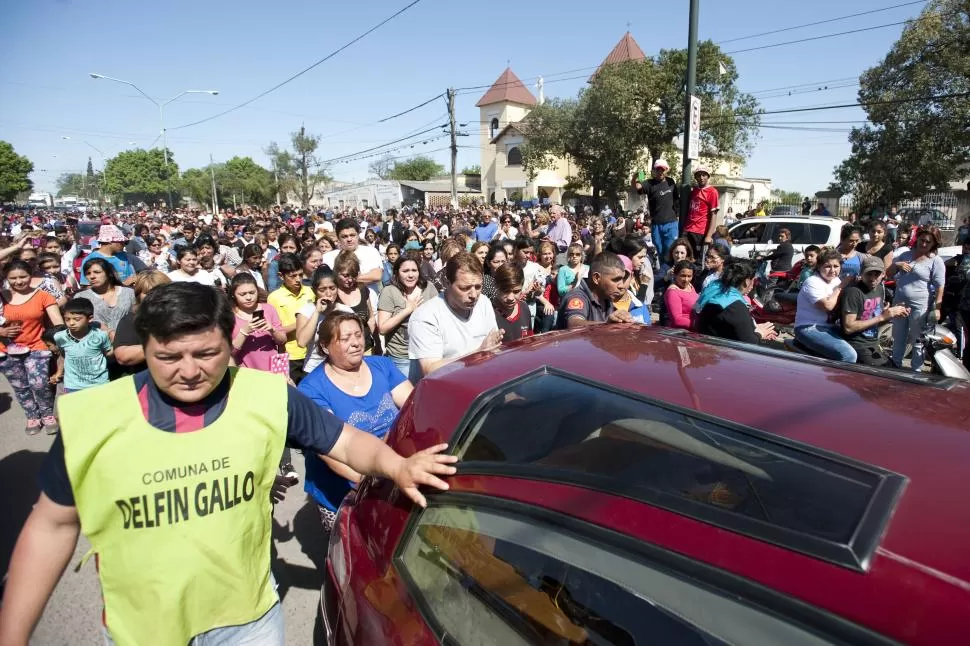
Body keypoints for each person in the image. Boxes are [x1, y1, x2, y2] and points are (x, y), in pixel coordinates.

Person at [0, 282, 457, 646]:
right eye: (168, 356)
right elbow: (51, 526)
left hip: (248, 621)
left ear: (229, 342)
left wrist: (396, 466)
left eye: (206, 354)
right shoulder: (91, 419)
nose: (189, 370)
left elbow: (344, 440)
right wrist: (13, 634)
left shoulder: (267, 395)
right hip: (142, 630)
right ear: (145, 347)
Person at [297, 313, 414, 530]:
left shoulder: (382, 365)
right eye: (345, 338)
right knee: (352, 552)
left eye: (358, 335)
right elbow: (329, 449)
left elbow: (412, 405)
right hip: (344, 489)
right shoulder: (312, 389)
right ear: (324, 346)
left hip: (390, 474)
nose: (355, 343)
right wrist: (369, 483)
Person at [408, 252, 503, 377]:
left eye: (478, 287)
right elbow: (430, 369)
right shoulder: (426, 316)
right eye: (465, 288)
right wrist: (478, 353)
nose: (473, 295)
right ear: (447, 283)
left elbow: (493, 349)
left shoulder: (484, 302)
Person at [0, 259, 64, 435]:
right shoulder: (1, 297)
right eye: (13, 278)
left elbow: (57, 320)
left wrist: (60, 339)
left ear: (31, 275)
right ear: (6, 278)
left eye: (23, 276)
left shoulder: (43, 295)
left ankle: (47, 414)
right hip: (6, 351)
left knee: (39, 383)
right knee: (21, 387)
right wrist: (2, 332)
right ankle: (32, 416)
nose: (19, 281)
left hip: (37, 346)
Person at [887, 226, 946, 372]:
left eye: (928, 242)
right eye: (922, 240)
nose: (924, 244)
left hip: (920, 306)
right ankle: (895, 367)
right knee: (898, 337)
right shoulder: (905, 254)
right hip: (900, 302)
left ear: (934, 244)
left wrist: (937, 309)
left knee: (918, 341)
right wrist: (897, 264)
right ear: (916, 239)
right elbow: (888, 274)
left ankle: (916, 372)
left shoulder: (935, 261)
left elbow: (940, 286)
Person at [378, 253, 438, 379]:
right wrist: (408, 310)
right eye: (405, 271)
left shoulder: (429, 288)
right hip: (402, 357)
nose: (410, 275)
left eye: (414, 270)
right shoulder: (389, 291)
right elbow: (382, 328)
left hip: (427, 354)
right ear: (397, 272)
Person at [841, 256, 910, 366]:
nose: (873, 278)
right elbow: (849, 328)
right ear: (861, 273)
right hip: (857, 344)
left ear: (883, 275)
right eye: (869, 273)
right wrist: (882, 317)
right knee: (886, 373)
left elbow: (876, 322)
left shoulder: (879, 289)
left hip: (873, 343)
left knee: (894, 369)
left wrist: (891, 315)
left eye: (877, 274)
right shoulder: (853, 292)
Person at [794, 249, 857, 363]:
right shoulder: (812, 282)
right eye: (827, 266)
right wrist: (840, 288)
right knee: (849, 355)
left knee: (860, 343)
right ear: (819, 266)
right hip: (808, 328)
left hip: (830, 327)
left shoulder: (835, 280)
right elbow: (828, 306)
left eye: (836, 266)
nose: (832, 270)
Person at [694, 259, 777, 344]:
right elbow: (749, 342)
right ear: (747, 281)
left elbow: (732, 324)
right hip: (719, 351)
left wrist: (752, 328)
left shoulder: (712, 291)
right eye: (753, 281)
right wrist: (760, 333)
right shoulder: (735, 306)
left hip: (702, 344)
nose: (752, 286)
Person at [267, 252, 315, 384]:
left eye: (300, 274)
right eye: (292, 276)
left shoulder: (310, 292)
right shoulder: (274, 298)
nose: (298, 280)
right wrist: (302, 322)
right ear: (281, 276)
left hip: (310, 354)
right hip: (288, 355)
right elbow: (275, 330)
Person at [112, 271, 171, 377]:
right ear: (138, 295)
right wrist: (166, 346)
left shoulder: (180, 316)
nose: (153, 296)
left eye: (158, 292)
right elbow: (123, 356)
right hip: (143, 379)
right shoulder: (131, 320)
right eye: (147, 292)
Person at [49, 298, 113, 394]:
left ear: (90, 318)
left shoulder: (100, 335)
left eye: (76, 319)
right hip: (73, 386)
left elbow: (108, 352)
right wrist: (59, 372)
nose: (71, 323)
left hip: (99, 384)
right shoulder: (60, 337)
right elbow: (63, 356)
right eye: (67, 319)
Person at [229, 273, 288, 373]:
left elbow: (282, 341)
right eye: (242, 294)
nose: (248, 297)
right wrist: (244, 332)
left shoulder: (269, 309)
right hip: (247, 374)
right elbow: (230, 352)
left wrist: (272, 330)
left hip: (274, 370)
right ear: (233, 295)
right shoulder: (230, 316)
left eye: (252, 292)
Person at [556, 252, 633, 329]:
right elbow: (574, 324)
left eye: (622, 279)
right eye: (616, 280)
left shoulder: (606, 297)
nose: (621, 286)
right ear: (596, 278)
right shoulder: (577, 296)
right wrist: (607, 325)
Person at [333, 250, 379, 356]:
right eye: (345, 275)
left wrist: (378, 344)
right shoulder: (332, 293)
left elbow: (371, 319)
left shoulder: (362, 289)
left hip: (366, 348)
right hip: (342, 352)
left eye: (353, 276)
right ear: (336, 272)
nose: (350, 280)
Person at [75, 258, 136, 336]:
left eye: (97, 272)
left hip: (127, 340)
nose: (92, 276)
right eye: (88, 273)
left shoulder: (128, 293)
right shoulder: (81, 297)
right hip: (97, 341)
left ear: (109, 273)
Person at [321, 219, 383, 291]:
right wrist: (362, 278)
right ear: (338, 238)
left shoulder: (371, 251)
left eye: (352, 235)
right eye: (344, 236)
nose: (349, 239)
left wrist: (345, 279)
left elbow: (377, 275)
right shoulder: (328, 257)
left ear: (358, 235)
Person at [646, 159, 680, 264]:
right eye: (658, 169)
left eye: (663, 169)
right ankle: (663, 274)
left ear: (667, 170)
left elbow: (676, 200)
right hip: (656, 224)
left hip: (671, 223)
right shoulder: (649, 183)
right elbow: (638, 189)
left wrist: (677, 215)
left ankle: (672, 272)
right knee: (660, 251)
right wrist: (638, 176)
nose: (660, 172)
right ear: (654, 171)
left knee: (670, 250)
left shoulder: (671, 182)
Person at [491, 263, 533, 342]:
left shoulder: (524, 308)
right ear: (495, 286)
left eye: (516, 291)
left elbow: (529, 341)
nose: (510, 298)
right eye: (505, 291)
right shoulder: (488, 312)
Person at [684, 166, 719, 259]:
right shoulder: (694, 190)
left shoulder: (712, 192)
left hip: (700, 232)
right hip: (688, 230)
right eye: (699, 175)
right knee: (686, 257)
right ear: (695, 177)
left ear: (708, 177)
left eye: (704, 175)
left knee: (698, 260)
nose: (701, 177)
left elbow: (714, 215)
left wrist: (709, 235)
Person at [664, 260, 698, 330]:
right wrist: (698, 325)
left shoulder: (690, 286)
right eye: (683, 276)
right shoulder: (673, 292)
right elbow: (677, 320)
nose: (686, 280)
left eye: (689, 276)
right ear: (675, 275)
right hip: (681, 333)